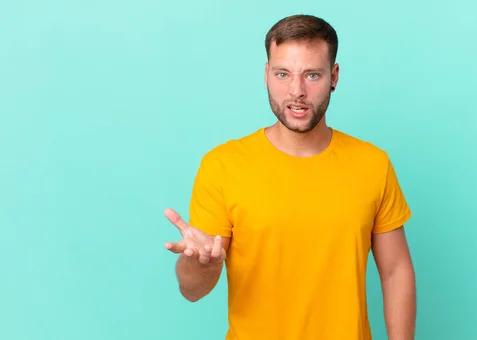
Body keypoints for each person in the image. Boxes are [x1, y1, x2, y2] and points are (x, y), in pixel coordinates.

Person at [163, 14, 416, 340]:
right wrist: (202, 266)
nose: (296, 91)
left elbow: (396, 271)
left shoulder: (372, 164)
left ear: (334, 76)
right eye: (283, 74)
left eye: (312, 75)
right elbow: (192, 290)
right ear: (267, 75)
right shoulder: (223, 166)